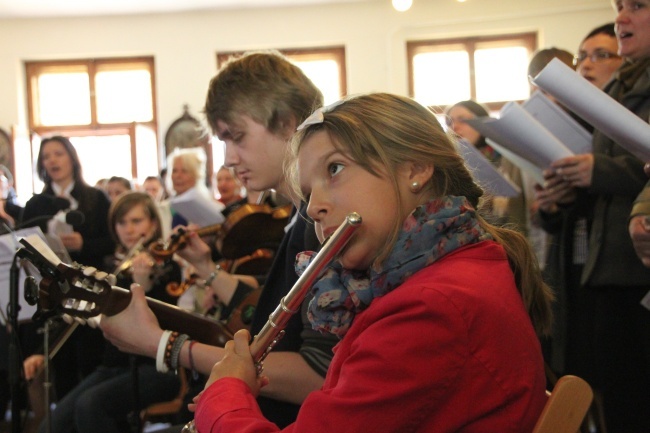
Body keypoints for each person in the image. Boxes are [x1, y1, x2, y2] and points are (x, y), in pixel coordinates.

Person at [191, 93, 553, 433]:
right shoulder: (454, 271)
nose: (314, 206)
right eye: (307, 192)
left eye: (334, 169)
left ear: (416, 168)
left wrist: (225, 394)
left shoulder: (429, 308)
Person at [100, 50, 336, 430]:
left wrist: (164, 345)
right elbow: (277, 309)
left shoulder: (320, 218)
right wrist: (207, 269)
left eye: (236, 137)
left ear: (289, 122)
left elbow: (318, 374)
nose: (227, 159)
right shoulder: (298, 213)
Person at [539, 1, 650, 431]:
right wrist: (558, 200)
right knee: (619, 397)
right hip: (608, 265)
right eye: (618, 7)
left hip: (635, 264)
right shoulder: (620, 87)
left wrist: (597, 170)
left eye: (636, 6)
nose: (622, 17)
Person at [33, 191, 182, 433]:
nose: (129, 229)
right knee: (54, 423)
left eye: (137, 221)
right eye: (122, 223)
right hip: (113, 365)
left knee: (90, 405)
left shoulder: (167, 265)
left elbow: (156, 325)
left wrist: (142, 286)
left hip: (154, 367)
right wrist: (42, 353)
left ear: (153, 224)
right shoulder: (111, 266)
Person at [21, 135, 114, 401]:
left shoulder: (95, 198)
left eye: (58, 154)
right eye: (46, 156)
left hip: (90, 292)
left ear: (72, 158)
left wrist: (83, 243)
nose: (52, 160)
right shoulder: (36, 205)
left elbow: (111, 241)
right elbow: (23, 245)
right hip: (53, 295)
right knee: (62, 371)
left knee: (91, 362)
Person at [444, 100, 527, 234]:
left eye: (463, 120)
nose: (455, 127)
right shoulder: (449, 163)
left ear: (481, 122)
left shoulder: (508, 158)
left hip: (509, 234)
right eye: (449, 122)